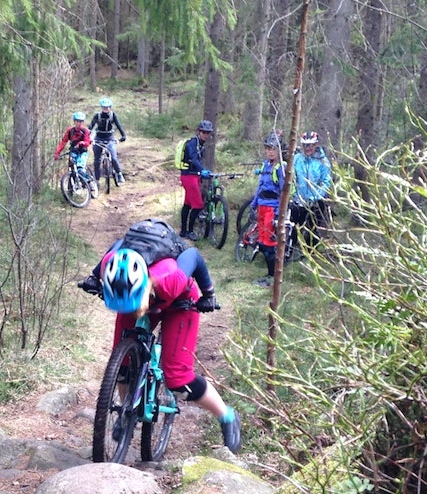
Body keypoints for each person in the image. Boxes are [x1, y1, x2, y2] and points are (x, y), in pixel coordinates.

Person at [77, 219, 242, 454]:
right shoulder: (109, 267)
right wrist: (94, 277)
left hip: (179, 304)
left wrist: (209, 294)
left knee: (178, 377)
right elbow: (118, 245)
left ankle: (226, 415)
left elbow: (193, 255)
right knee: (122, 365)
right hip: (139, 297)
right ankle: (127, 411)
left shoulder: (171, 279)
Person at [249, 133, 288, 287]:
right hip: (261, 206)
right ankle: (269, 274)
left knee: (269, 244)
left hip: (272, 208)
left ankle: (273, 277)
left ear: (279, 151)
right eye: (267, 149)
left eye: (273, 149)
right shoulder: (265, 165)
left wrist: (278, 214)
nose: (270, 152)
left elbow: (283, 192)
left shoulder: (281, 168)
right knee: (262, 241)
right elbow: (260, 187)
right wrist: (253, 204)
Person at [291, 131, 333, 249]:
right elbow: (292, 176)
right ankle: (292, 249)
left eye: (310, 145)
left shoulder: (323, 162)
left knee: (312, 229)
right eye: (305, 145)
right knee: (294, 226)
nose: (307, 148)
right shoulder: (297, 159)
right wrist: (292, 192)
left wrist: (317, 196)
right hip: (299, 199)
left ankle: (310, 252)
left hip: (316, 201)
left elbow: (326, 182)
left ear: (315, 145)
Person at [178, 120, 215, 241]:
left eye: (208, 133)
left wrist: (201, 172)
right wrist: (202, 170)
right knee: (198, 205)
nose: (206, 135)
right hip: (189, 177)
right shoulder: (193, 143)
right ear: (199, 131)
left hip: (192, 176)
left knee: (188, 205)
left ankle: (183, 231)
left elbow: (196, 161)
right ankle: (190, 231)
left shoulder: (200, 144)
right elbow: (193, 159)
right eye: (204, 132)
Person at [54, 111, 97, 197]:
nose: (79, 123)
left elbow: (87, 142)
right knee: (71, 170)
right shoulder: (70, 131)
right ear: (74, 121)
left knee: (80, 169)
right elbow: (63, 142)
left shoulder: (85, 131)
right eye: (77, 121)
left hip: (82, 152)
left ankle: (90, 182)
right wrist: (57, 153)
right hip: (73, 152)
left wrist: (82, 143)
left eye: (81, 121)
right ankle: (70, 192)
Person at [89, 97, 127, 185]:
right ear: (102, 107)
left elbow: (119, 126)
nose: (107, 109)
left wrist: (123, 136)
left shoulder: (113, 115)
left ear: (110, 107)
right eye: (105, 107)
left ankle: (119, 174)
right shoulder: (97, 116)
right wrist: (88, 138)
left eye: (108, 107)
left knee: (113, 157)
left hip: (110, 138)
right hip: (98, 138)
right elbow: (90, 127)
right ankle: (97, 180)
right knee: (97, 160)